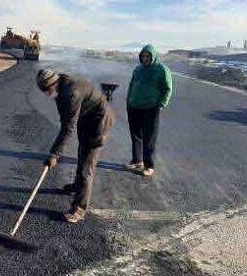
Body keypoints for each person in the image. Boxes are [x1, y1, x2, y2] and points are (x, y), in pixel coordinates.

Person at [37, 69, 115, 223]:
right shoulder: (61, 87)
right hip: (87, 117)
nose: (46, 93)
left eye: (47, 90)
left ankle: (79, 208)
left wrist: (54, 154)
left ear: (53, 83)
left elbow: (68, 127)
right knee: (82, 152)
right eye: (43, 91)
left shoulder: (71, 93)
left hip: (99, 121)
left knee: (87, 165)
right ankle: (78, 186)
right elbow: (64, 119)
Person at [125, 44, 172, 177]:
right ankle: (137, 160)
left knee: (149, 137)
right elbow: (131, 85)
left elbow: (168, 88)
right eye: (143, 56)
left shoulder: (161, 69)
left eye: (147, 56)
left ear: (153, 56)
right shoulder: (138, 69)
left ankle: (149, 165)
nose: (145, 58)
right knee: (135, 135)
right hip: (134, 106)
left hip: (150, 108)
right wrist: (129, 100)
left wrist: (161, 104)